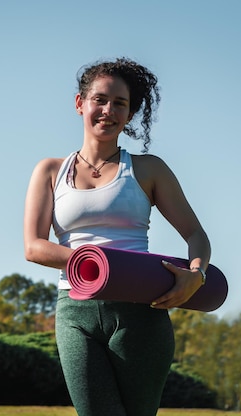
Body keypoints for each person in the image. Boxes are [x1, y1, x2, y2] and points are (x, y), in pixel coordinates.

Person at [23, 57, 211, 416]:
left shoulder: (148, 169)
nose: (108, 111)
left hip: (141, 311)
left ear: (129, 114)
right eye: (100, 99)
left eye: (120, 104)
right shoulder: (49, 171)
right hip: (75, 312)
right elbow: (33, 247)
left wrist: (196, 275)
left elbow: (195, 234)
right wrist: (96, 263)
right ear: (80, 104)